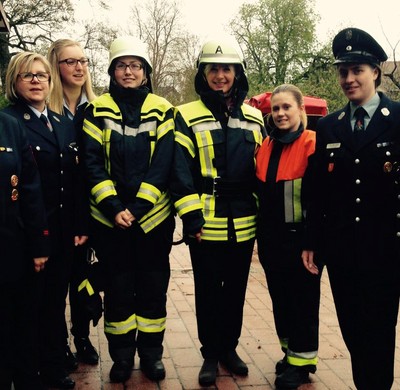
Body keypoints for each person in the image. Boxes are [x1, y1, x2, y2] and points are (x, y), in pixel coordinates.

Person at [302, 27, 400, 390]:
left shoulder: (398, 119)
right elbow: (317, 191)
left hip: (386, 249)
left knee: (379, 330)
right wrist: (312, 239)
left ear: (375, 71)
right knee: (353, 331)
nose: (349, 79)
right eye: (343, 71)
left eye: (357, 70)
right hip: (342, 252)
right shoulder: (329, 126)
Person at [81, 36, 175, 383]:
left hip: (153, 221)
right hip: (109, 222)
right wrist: (114, 207)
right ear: (112, 71)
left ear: (146, 72)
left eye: (135, 65)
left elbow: (163, 164)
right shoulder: (96, 109)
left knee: (152, 289)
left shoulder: (163, 109)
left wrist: (135, 208)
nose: (129, 71)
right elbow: (91, 164)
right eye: (122, 65)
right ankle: (121, 357)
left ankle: (151, 355)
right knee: (118, 290)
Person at [170, 39, 265, 386]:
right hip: (205, 221)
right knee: (208, 288)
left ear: (237, 74)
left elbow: (264, 170)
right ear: (203, 74)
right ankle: (210, 352)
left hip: (244, 220)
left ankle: (230, 348)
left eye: (227, 69)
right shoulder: (185, 115)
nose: (221, 75)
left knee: (236, 290)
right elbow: (179, 172)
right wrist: (191, 217)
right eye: (214, 69)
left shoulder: (256, 117)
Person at [3, 51, 88, 390]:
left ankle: (53, 365)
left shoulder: (62, 122)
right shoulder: (10, 122)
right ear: (15, 81)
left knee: (55, 302)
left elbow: (77, 178)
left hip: (65, 232)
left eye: (42, 75)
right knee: (30, 306)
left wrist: (81, 225)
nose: (37, 81)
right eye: (29, 75)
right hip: (30, 234)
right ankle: (31, 368)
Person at [255, 84, 321, 389]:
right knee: (280, 300)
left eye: (286, 108)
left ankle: (302, 362)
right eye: (276, 108)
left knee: (303, 302)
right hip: (271, 239)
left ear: (300, 110)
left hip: (301, 241)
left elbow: (321, 200)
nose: (280, 113)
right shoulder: (267, 145)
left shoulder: (312, 143)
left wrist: (312, 241)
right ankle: (290, 353)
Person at [47, 38, 100, 367]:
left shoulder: (95, 108)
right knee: (55, 285)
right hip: (56, 212)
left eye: (83, 61)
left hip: (91, 210)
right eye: (70, 62)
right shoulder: (46, 111)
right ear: (56, 65)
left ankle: (82, 338)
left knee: (84, 281)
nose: (79, 67)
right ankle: (58, 343)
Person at [0, 111, 50, 390]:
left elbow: (30, 189)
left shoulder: (9, 126)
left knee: (18, 328)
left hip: (11, 249)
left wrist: (39, 244)